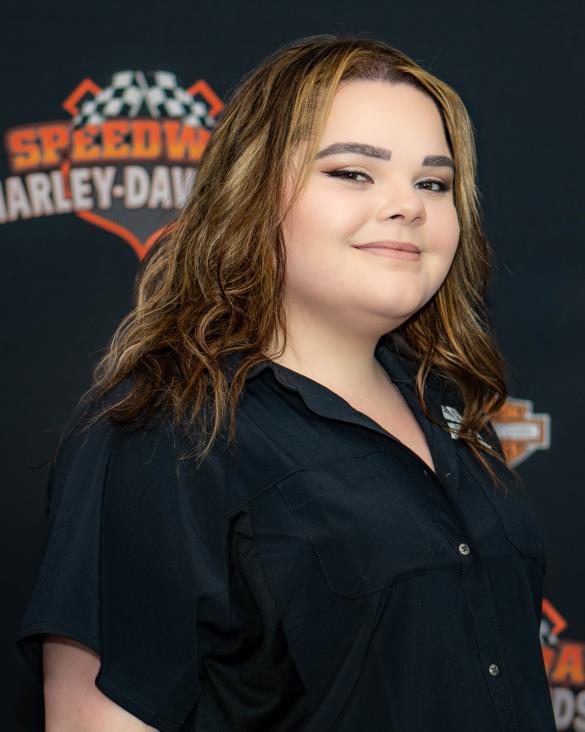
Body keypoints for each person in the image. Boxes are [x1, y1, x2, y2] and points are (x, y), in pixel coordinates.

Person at [15, 33, 557, 732]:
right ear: (252, 192)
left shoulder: (448, 406)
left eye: (433, 182)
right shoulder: (169, 433)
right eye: (352, 173)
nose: (408, 206)